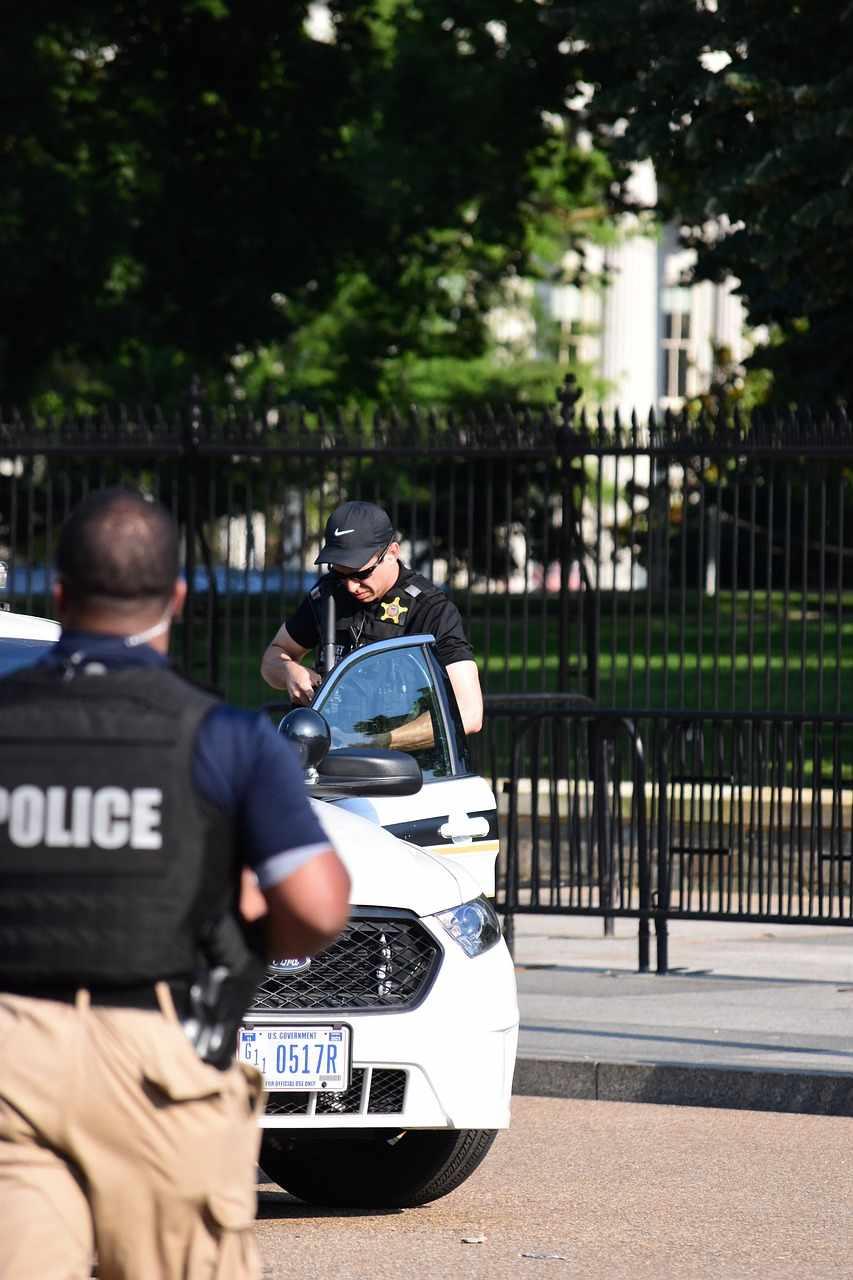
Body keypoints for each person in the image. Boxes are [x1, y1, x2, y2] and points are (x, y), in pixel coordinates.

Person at [0, 489, 351, 1280]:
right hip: (159, 1053)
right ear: (179, 599)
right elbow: (319, 907)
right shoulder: (223, 736)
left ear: (58, 595)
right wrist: (253, 936)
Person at [260, 500, 483, 750]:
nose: (350, 586)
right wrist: (289, 671)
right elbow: (273, 656)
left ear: (393, 552)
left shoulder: (431, 610)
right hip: (325, 761)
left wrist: (376, 742)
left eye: (361, 574)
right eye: (340, 574)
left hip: (403, 771)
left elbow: (469, 713)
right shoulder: (327, 595)